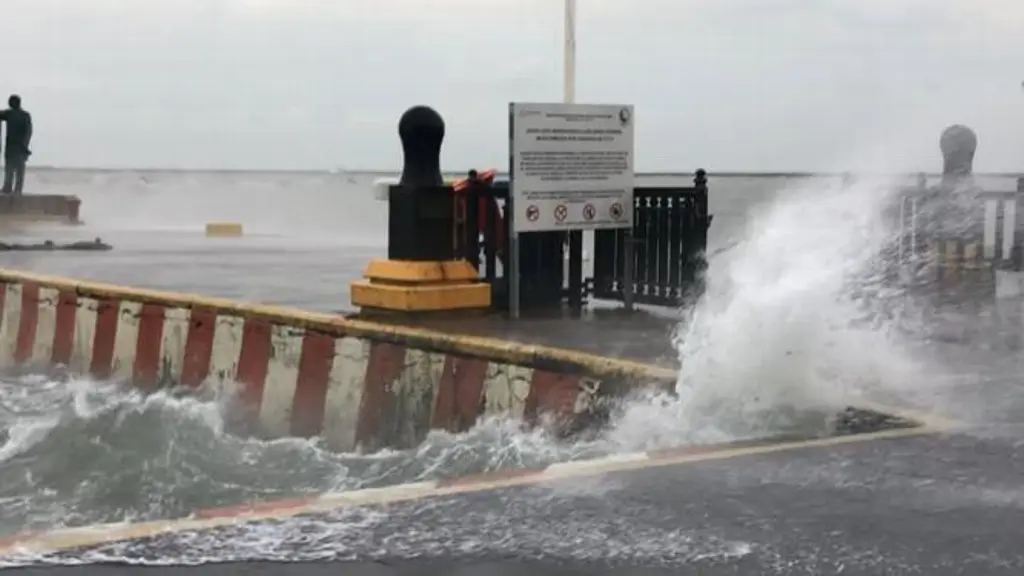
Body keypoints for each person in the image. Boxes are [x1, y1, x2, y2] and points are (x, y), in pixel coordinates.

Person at [0, 95, 32, 195]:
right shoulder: (24, 115)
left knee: (12, 169)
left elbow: (28, 131)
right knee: (16, 170)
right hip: (18, 147)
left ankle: (9, 188)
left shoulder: (10, 114)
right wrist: (25, 145)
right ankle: (14, 189)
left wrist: (24, 145)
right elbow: (29, 132)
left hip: (14, 147)